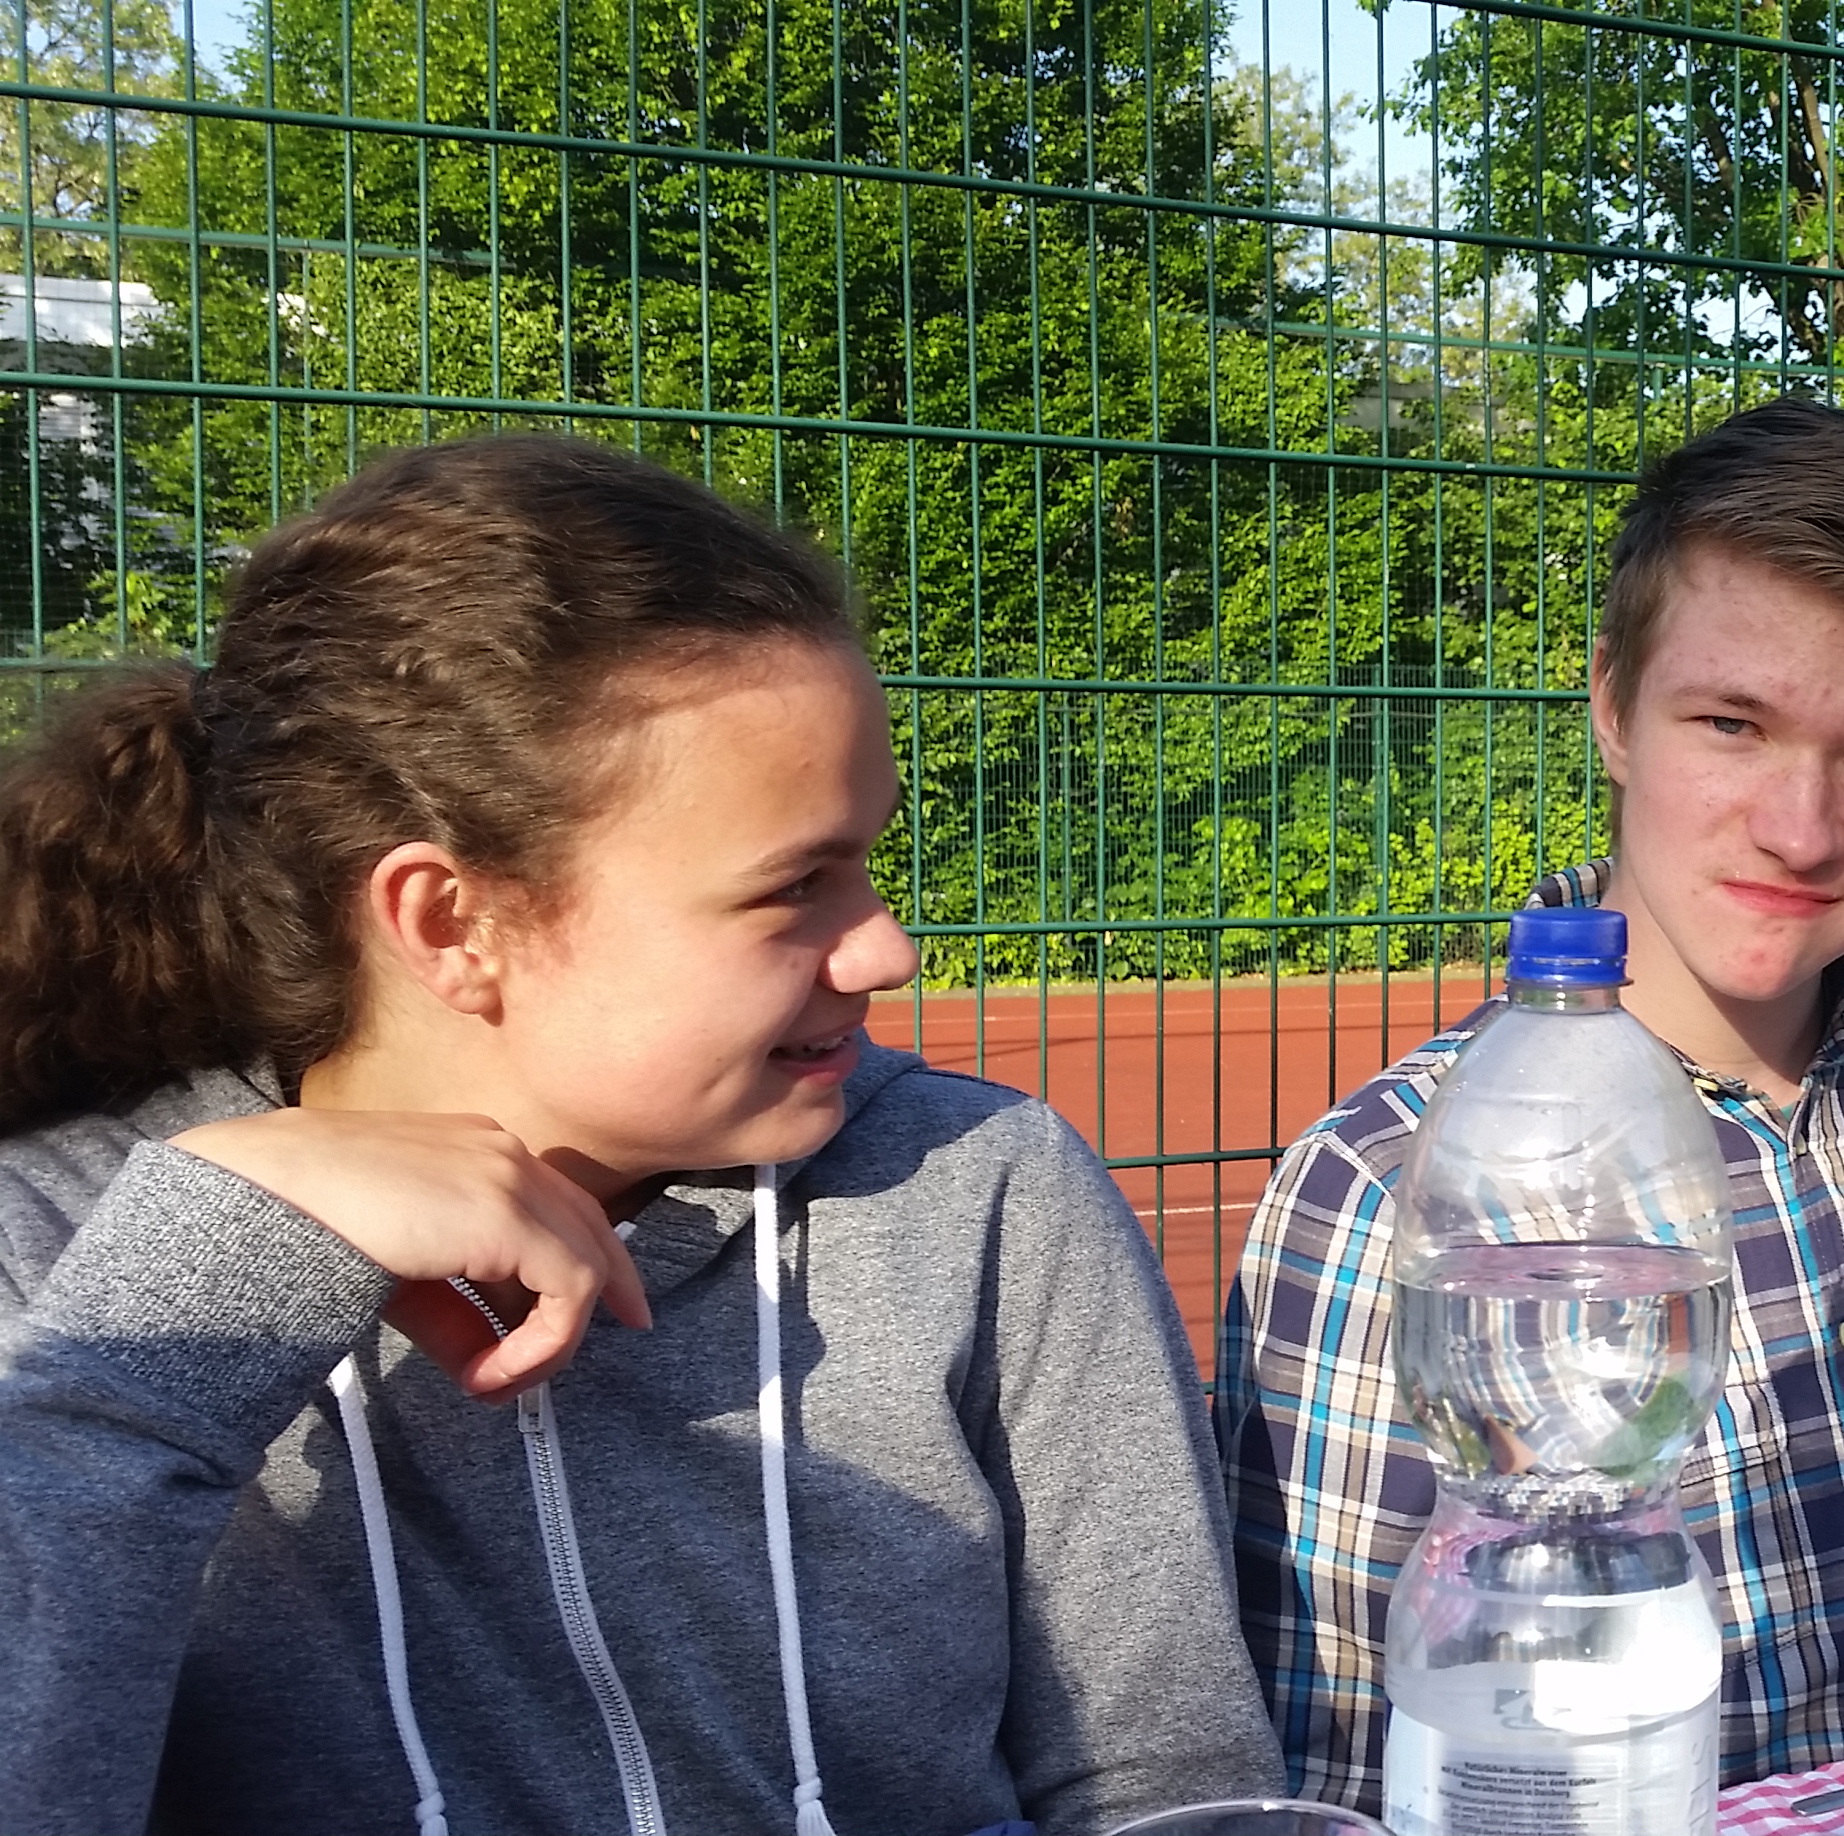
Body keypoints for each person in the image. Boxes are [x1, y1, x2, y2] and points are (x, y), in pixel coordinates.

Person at [0, 435, 1282, 1833]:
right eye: (792, 887)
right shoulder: (58, 1254)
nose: (887, 952)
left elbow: (1171, 1786)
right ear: (452, 922)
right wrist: (177, 1336)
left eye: (867, 861)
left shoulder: (983, 1190)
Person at [1213, 397, 1844, 1804]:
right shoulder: (1389, 1187)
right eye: (1733, 723)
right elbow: (1331, 1763)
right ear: (1613, 707)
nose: (1802, 830)